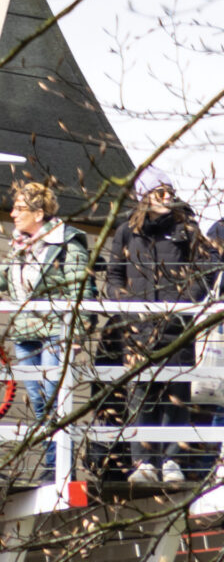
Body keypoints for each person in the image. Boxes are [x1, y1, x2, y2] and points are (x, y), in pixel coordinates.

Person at [0, 180, 91, 483]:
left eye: (20, 208)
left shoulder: (66, 244)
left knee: (54, 399)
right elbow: (1, 282)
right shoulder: (19, 247)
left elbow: (81, 290)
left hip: (55, 333)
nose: (13, 213)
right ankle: (56, 463)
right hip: (25, 335)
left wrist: (75, 334)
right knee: (39, 404)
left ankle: (59, 467)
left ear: (39, 214)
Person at [107, 180, 221, 488]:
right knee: (140, 397)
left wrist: (182, 304)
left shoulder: (186, 230)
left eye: (171, 192)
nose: (167, 197)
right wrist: (129, 306)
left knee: (175, 397)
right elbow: (113, 276)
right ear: (145, 195)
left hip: (176, 327)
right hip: (137, 327)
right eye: (160, 192)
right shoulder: (126, 231)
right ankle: (143, 461)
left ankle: (171, 460)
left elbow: (206, 269)